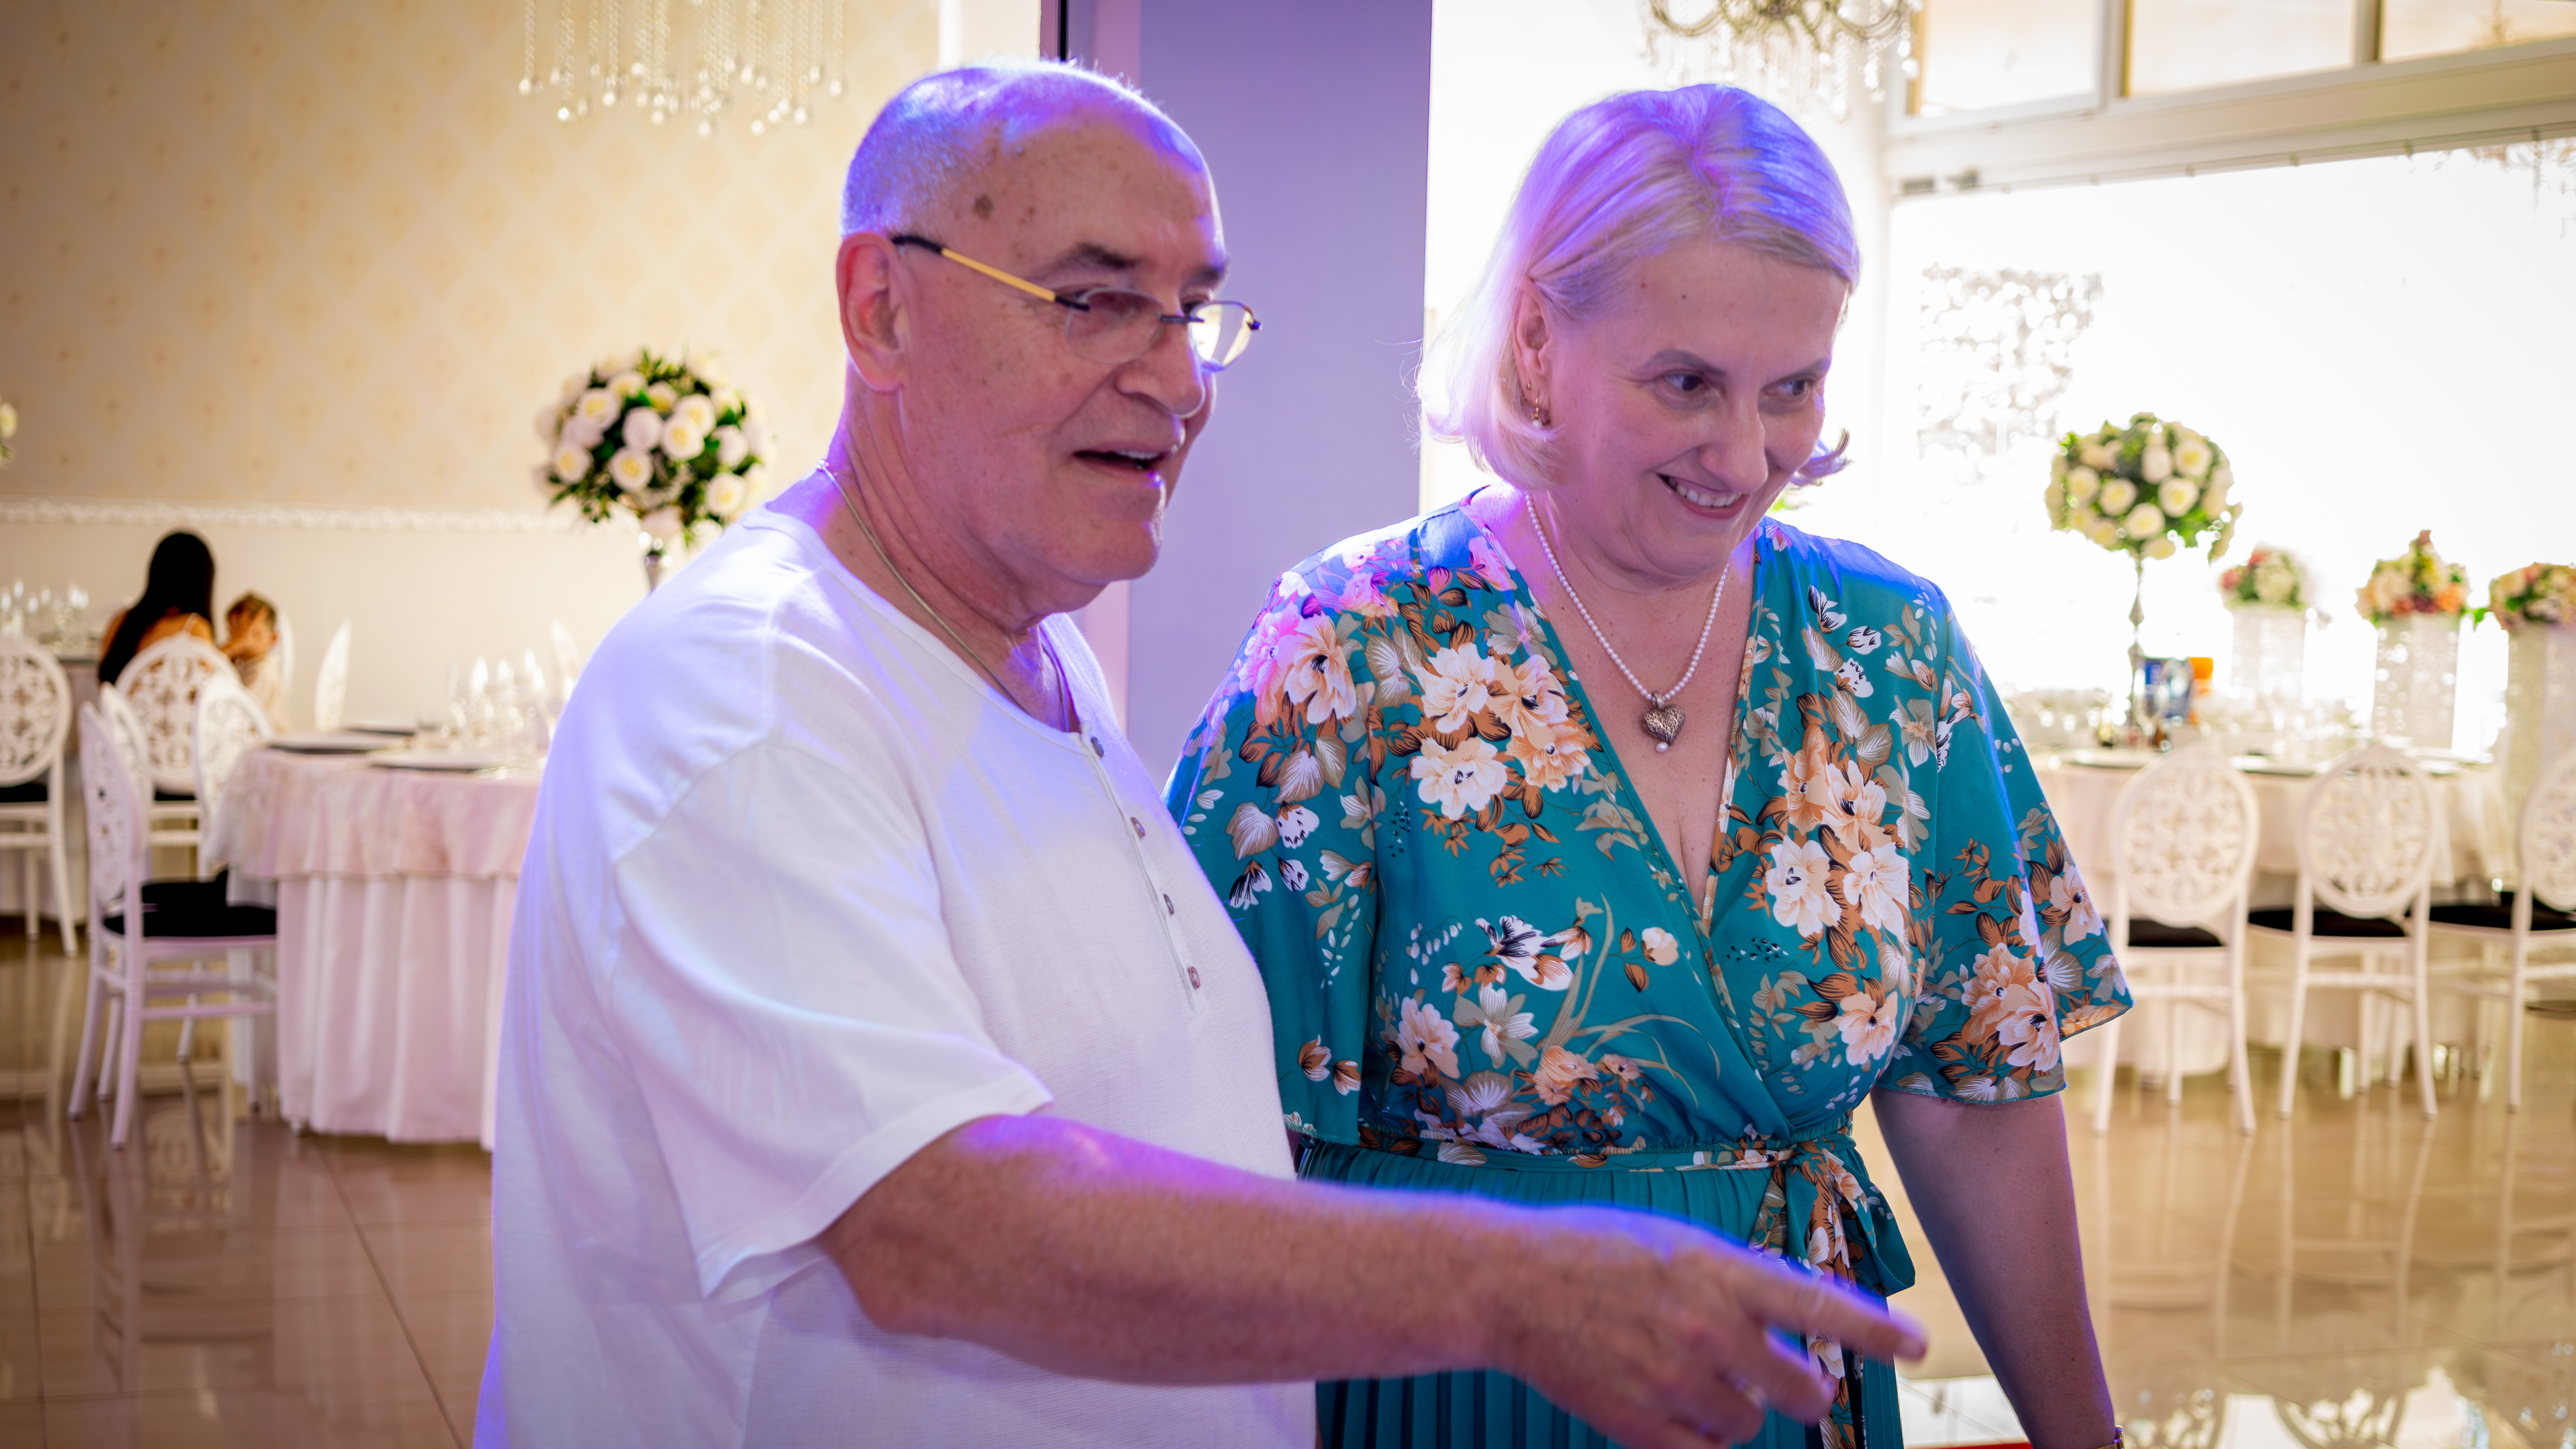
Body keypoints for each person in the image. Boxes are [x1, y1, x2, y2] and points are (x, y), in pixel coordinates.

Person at [480, 61, 1920, 1449]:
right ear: (881, 308)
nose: (1177, 380)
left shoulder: (1034, 655)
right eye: (1096, 301)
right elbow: (932, 1220)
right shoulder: (746, 693)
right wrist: (1516, 1286)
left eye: (1191, 311)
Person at [1169, 85, 2132, 1449]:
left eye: (1790, 388)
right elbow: (1207, 1127)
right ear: (1534, 341)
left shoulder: (1888, 647)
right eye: (1684, 383)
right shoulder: (1352, 647)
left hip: (1789, 1394)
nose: (1743, 456)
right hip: (1466, 1394)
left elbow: (1974, 1099)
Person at [97, 530, 216, 685]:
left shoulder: (120, 621)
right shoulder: (193, 627)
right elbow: (210, 686)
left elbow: (105, 684)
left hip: (114, 702)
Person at [221, 591, 285, 728]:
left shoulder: (265, 670)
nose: (243, 642)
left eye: (255, 634)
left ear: (273, 638)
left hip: (268, 739)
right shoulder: (238, 663)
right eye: (235, 634)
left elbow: (235, 715)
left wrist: (233, 648)